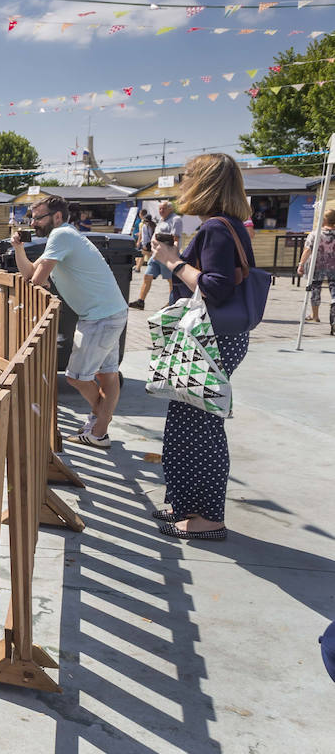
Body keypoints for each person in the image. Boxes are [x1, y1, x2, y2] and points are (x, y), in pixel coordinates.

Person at [149, 154, 257, 540]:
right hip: (216, 338)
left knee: (200, 427)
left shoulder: (215, 228)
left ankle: (209, 517)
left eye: (187, 176)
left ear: (205, 181)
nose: (181, 183)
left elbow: (214, 287)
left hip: (212, 340)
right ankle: (187, 506)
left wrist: (173, 261)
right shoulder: (224, 226)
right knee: (186, 424)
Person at [12, 194, 128, 449]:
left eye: (38, 218)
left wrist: (40, 278)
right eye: (31, 218)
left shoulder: (61, 235)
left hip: (100, 317)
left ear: (57, 217)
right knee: (107, 376)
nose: (33, 224)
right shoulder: (64, 236)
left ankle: (100, 425)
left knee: (76, 377)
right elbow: (32, 272)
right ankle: (99, 431)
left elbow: (37, 281)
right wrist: (19, 249)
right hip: (109, 312)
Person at [129, 201, 181, 309]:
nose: (161, 211)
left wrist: (172, 255)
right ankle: (140, 301)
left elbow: (175, 239)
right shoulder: (161, 220)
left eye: (164, 209)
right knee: (147, 276)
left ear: (170, 209)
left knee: (171, 281)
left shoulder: (176, 220)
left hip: (167, 256)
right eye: (160, 209)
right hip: (156, 255)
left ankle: (172, 304)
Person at [298, 207, 335, 332]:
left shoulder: (315, 234)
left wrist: (301, 264)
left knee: (315, 289)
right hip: (333, 267)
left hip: (317, 266)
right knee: (334, 291)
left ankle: (315, 315)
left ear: (323, 220)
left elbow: (307, 250)